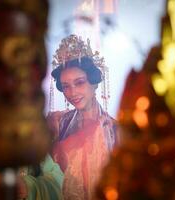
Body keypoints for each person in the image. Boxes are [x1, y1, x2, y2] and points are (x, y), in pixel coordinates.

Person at [47, 34, 120, 200]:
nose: (72, 93)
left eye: (79, 83)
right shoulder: (59, 123)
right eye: (66, 86)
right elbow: (48, 175)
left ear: (94, 83)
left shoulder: (114, 130)